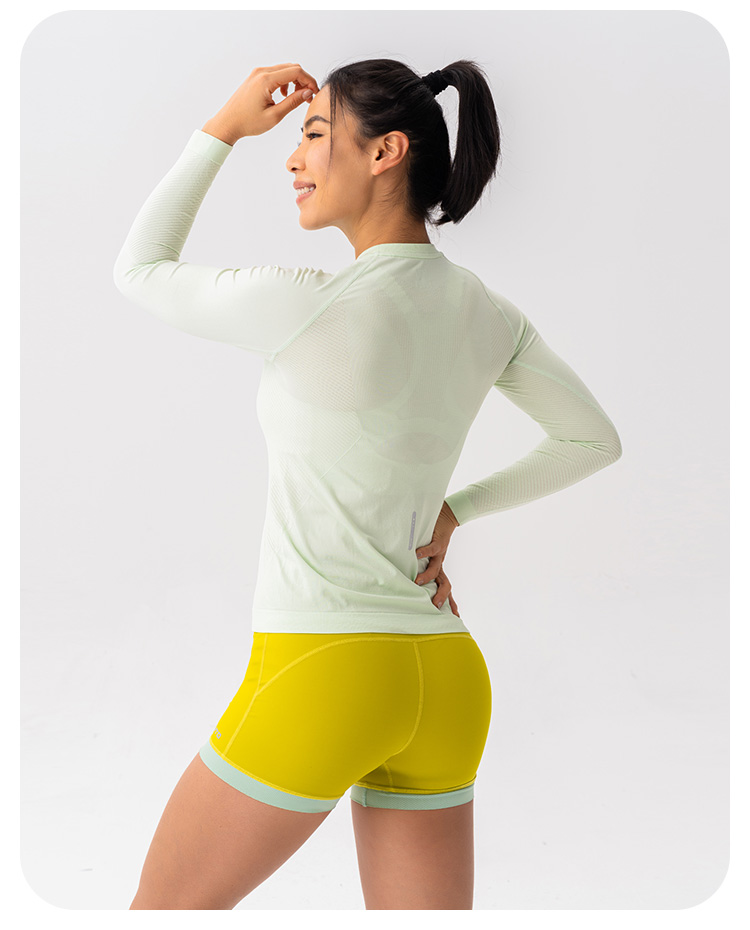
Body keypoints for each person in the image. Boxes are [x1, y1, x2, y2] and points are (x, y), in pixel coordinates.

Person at [112, 58, 622, 910]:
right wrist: (454, 512)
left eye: (313, 134)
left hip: (325, 670)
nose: (292, 157)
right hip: (446, 680)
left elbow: (139, 269)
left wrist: (226, 127)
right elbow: (591, 440)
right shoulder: (490, 313)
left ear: (386, 152)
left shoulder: (308, 302)